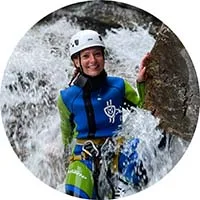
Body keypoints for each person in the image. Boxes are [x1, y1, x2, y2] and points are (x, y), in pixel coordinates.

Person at [57, 30, 150, 199]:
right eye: (86, 56)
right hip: (84, 156)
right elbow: (66, 132)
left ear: (104, 57)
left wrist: (141, 83)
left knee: (140, 167)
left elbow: (143, 111)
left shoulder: (118, 86)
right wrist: (67, 159)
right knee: (75, 192)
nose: (93, 60)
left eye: (97, 54)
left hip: (117, 151)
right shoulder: (66, 97)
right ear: (76, 62)